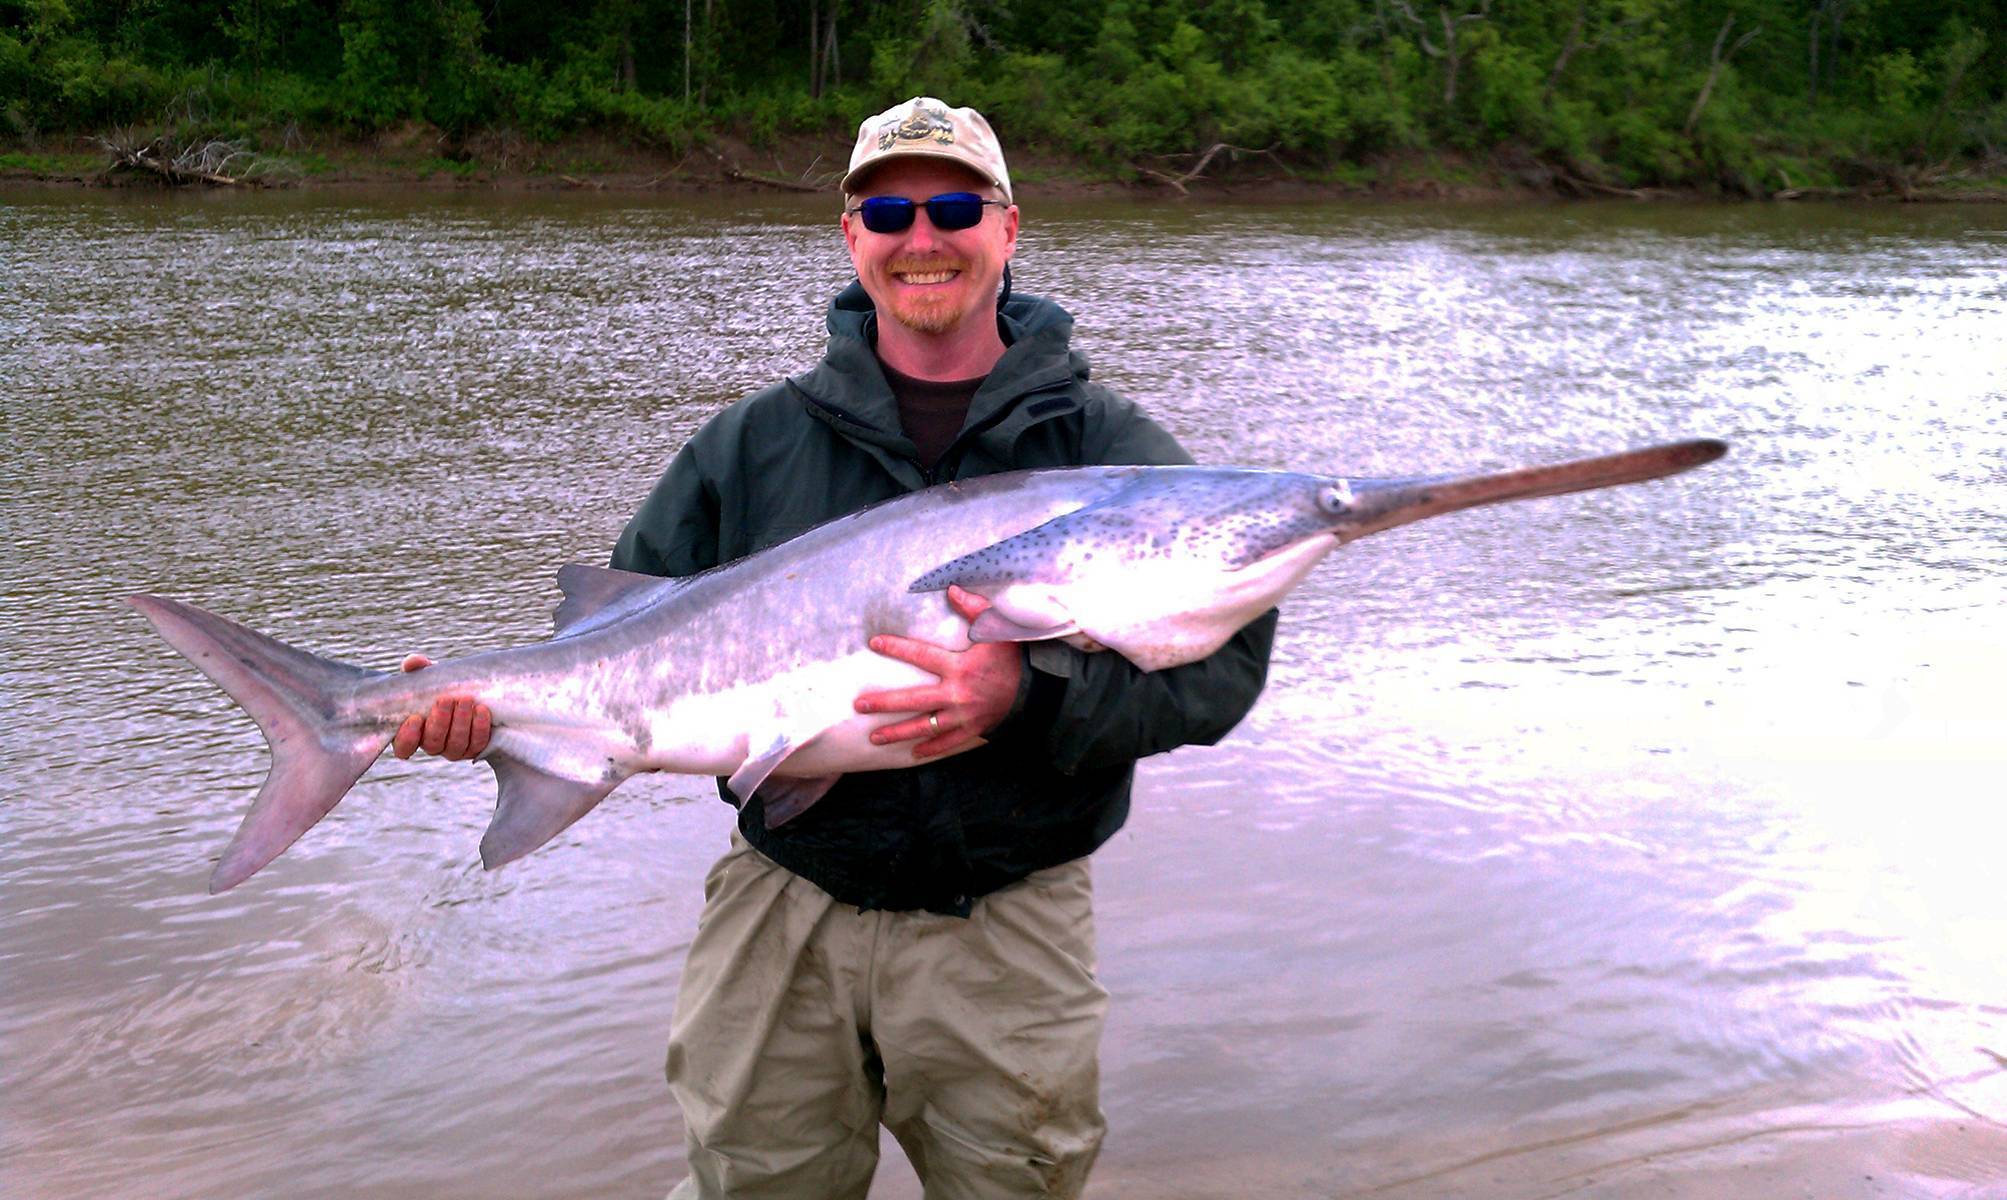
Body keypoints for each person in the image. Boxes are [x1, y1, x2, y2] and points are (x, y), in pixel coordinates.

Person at [393, 96, 1276, 1200]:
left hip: (1005, 922)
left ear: (1008, 228)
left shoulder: (1105, 452)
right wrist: (478, 711)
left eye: (953, 206)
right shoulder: (754, 444)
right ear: (849, 234)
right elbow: (613, 646)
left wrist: (1030, 695)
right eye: (888, 209)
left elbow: (1221, 673)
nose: (922, 237)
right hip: (781, 904)